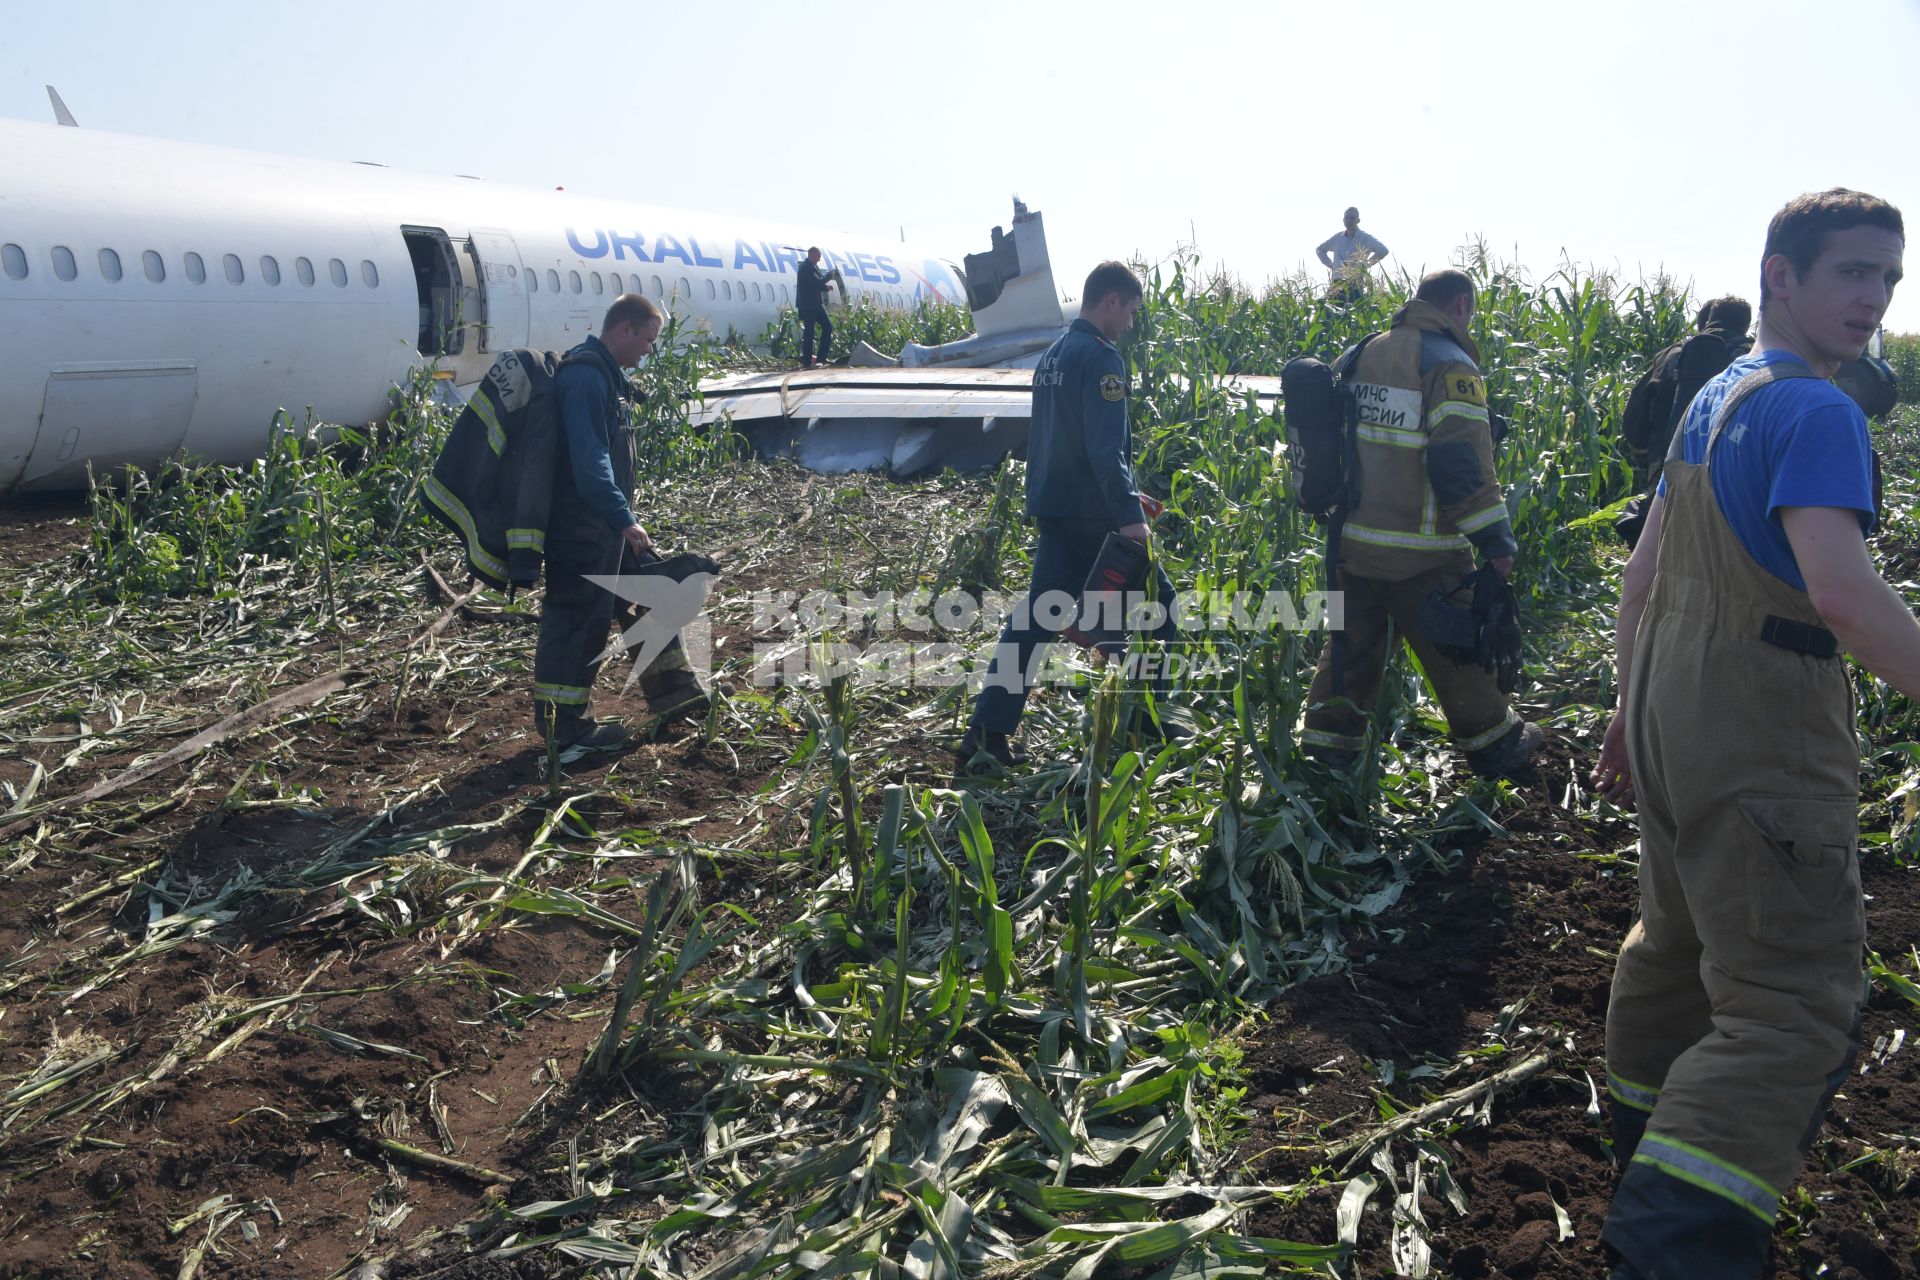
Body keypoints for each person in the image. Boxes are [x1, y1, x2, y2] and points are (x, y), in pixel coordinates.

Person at [1591, 189, 1906, 1280]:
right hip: (1765, 723)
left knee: (1675, 950)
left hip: (1678, 707)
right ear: (1781, 275)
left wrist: (1632, 705)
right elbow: (1845, 597)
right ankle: (1671, 1244)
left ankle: (1642, 1146)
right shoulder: (1819, 412)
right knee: (1789, 1003)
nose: (1874, 298)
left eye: (1889, 278)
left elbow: (1647, 573)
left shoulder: (1717, 395)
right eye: (1852, 272)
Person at [1299, 268, 1541, 778]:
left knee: (1349, 651)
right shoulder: (1449, 365)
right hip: (1422, 552)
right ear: (1459, 306)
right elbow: (1461, 466)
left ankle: (1325, 752)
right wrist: (1494, 537)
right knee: (1457, 652)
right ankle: (1497, 745)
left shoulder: (1361, 352)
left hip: (1353, 545)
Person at [957, 261, 1178, 769]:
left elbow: (1060, 439)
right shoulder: (1102, 359)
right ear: (1111, 301)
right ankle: (1141, 729)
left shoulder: (1053, 355)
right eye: (1130, 312)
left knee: (1037, 617)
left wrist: (1125, 493)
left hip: (1056, 507)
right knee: (1161, 610)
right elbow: (1105, 450)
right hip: (1094, 515)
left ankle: (985, 734)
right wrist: (1127, 513)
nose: (1129, 324)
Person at [535, 294, 711, 751]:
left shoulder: (606, 378)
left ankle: (676, 694)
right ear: (624, 329)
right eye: (648, 339)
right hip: (580, 531)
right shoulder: (586, 379)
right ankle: (566, 735)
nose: (650, 349)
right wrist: (624, 519)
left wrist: (621, 522)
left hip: (604, 526)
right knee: (577, 626)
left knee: (652, 596)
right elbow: (590, 461)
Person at [1316, 207, 1389, 301]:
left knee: (1353, 312)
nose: (1349, 220)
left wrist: (1365, 265)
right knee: (1326, 312)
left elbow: (1383, 250)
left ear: (1358, 220)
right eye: (1347, 218)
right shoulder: (1337, 238)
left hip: (1355, 284)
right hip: (1337, 284)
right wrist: (1331, 265)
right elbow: (1320, 250)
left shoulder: (1365, 238)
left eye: (1352, 218)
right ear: (1343, 220)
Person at [796, 247, 836, 368]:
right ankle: (807, 362)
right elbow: (815, 282)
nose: (819, 259)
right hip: (808, 305)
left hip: (815, 304)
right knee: (809, 333)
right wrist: (830, 275)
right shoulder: (805, 267)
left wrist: (826, 288)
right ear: (812, 255)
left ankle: (821, 358)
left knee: (828, 326)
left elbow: (816, 283)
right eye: (818, 256)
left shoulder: (812, 267)